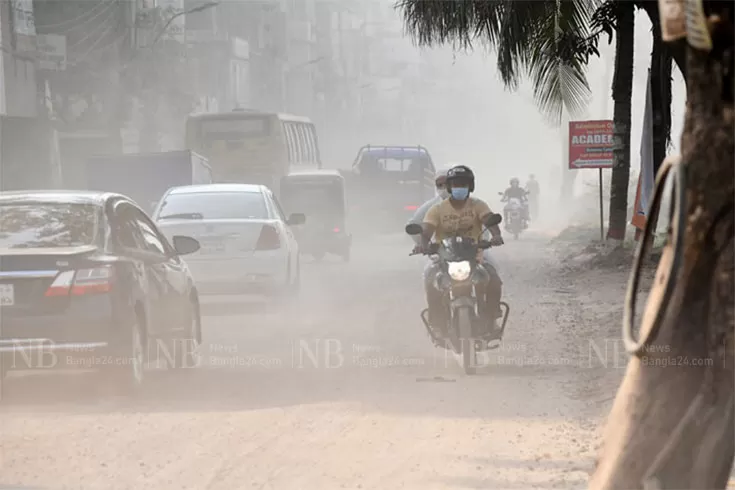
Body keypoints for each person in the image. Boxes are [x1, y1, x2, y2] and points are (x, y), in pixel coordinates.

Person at [414, 165, 505, 338]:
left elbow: (489, 221)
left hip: (475, 252)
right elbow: (427, 230)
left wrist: (496, 235)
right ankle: (437, 323)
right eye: (455, 184)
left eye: (463, 184)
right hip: (444, 255)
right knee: (430, 278)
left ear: (470, 186)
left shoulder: (478, 205)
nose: (459, 187)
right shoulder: (437, 209)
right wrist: (423, 244)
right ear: (449, 187)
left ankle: (492, 317)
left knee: (492, 275)